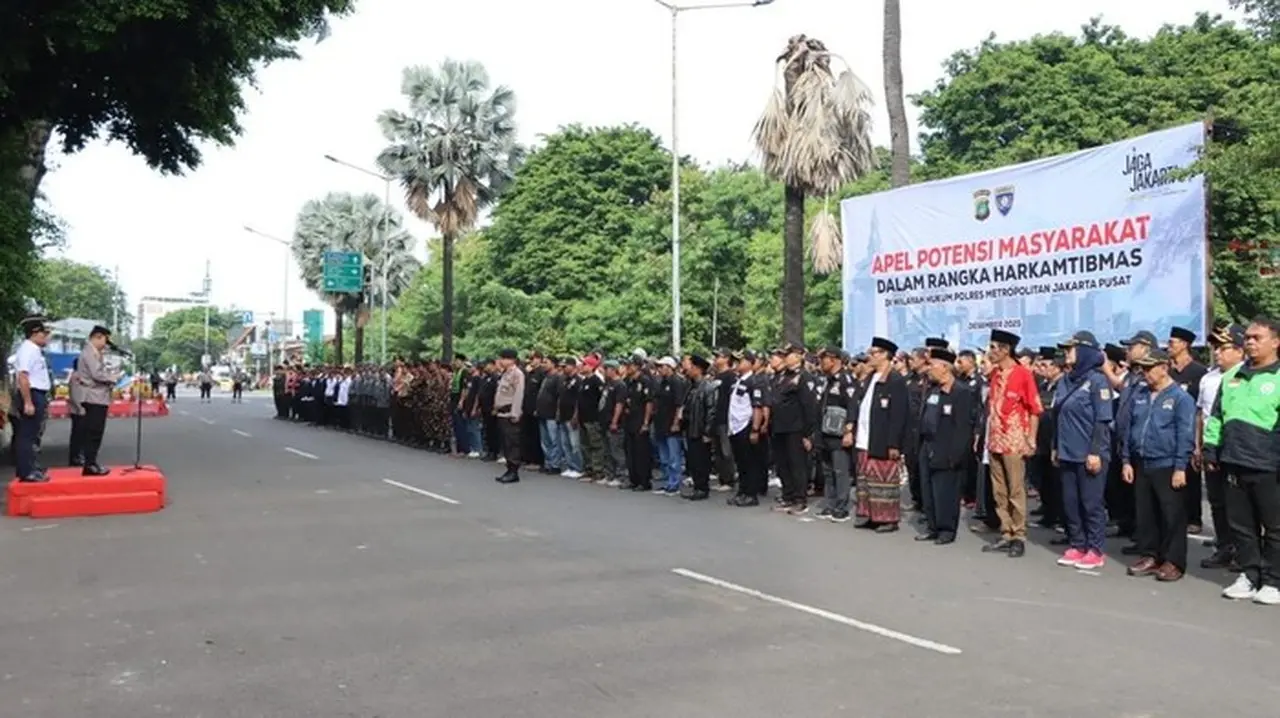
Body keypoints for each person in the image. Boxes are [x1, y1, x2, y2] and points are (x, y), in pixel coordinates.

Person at [1204, 318, 1280, 606]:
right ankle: (1250, 575)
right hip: (1234, 462)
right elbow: (1217, 417)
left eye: (1256, 337)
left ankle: (1274, 580)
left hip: (1268, 465)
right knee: (1242, 526)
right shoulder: (1232, 376)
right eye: (1247, 337)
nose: (1249, 342)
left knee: (1274, 526)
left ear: (1275, 342)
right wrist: (1211, 448)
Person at [1120, 348, 1196, 582]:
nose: (1144, 373)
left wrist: (1180, 467)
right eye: (1141, 368)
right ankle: (1150, 555)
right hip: (1142, 462)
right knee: (1146, 514)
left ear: (1164, 367)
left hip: (1168, 463)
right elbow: (1129, 428)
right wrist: (1126, 460)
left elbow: (1185, 434)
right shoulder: (1140, 394)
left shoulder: (1180, 398)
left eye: (1149, 368)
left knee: (1171, 515)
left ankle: (1173, 561)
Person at [1053, 331, 1114, 571]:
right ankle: (1077, 544)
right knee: (1070, 502)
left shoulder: (1097, 381)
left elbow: (1103, 419)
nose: (1066, 353)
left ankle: (1095, 549)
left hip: (1089, 453)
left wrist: (1096, 451)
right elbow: (1057, 414)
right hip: (1067, 451)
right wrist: (1055, 447)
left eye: (1071, 349)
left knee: (1091, 503)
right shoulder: (1065, 380)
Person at [981, 329, 1042, 558]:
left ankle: (1019, 535)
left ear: (1006, 349)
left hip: (1015, 441)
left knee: (1016, 489)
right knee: (999, 490)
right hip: (995, 439)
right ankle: (1005, 531)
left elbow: (1035, 410)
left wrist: (1031, 439)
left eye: (994, 347)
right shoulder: (995, 375)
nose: (991, 352)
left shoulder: (1023, 374)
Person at [916, 347, 976, 545]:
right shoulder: (932, 389)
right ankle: (932, 526)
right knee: (928, 489)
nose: (929, 369)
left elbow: (963, 428)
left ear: (944, 367)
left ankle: (946, 529)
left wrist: (956, 454)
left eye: (932, 366)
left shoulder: (961, 392)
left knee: (946, 491)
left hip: (948, 448)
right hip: (928, 445)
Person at [1198, 324, 1245, 571]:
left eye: (1224, 348)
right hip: (1213, 447)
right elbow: (1205, 416)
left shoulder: (1247, 375)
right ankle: (1224, 546)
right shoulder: (1210, 377)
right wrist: (1204, 447)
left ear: (1240, 351)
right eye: (1216, 348)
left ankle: (1243, 550)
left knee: (1239, 506)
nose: (1218, 353)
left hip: (1237, 451)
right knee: (1217, 502)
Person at [853, 336, 909, 532]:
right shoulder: (869, 378)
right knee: (866, 480)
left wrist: (894, 443)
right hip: (864, 436)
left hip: (882, 438)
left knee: (883, 480)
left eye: (874, 353)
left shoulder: (895, 380)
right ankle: (870, 514)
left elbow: (898, 415)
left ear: (885, 355)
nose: (870, 356)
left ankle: (888, 518)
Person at [1167, 326, 1208, 534]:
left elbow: (1201, 407)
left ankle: (1194, 518)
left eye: (1172, 342)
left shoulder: (1199, 372)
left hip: (1189, 429)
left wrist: (1198, 441)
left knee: (1190, 477)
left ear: (1184, 345)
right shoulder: (1167, 371)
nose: (1169, 346)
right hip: (1168, 430)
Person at [814, 346, 857, 522]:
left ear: (834, 360)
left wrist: (849, 430)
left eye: (824, 358)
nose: (821, 362)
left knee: (840, 471)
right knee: (828, 471)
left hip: (839, 433)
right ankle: (830, 504)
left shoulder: (845, 380)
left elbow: (853, 405)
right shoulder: (827, 380)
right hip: (825, 431)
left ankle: (841, 507)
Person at [12, 318, 52, 482]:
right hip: (32, 393)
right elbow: (23, 376)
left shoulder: (34, 349)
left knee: (33, 433)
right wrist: (28, 401)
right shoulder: (28, 349)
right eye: (44, 333)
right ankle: (26, 471)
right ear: (35, 333)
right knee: (27, 435)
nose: (46, 337)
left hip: (37, 393)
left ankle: (31, 467)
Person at [77, 325, 121, 476]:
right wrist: (112, 378)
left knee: (96, 431)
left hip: (98, 396)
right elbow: (96, 374)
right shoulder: (89, 352)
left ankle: (92, 462)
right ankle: (89, 464)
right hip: (93, 396)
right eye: (105, 340)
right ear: (97, 337)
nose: (106, 344)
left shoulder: (95, 352)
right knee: (94, 432)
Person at [728, 351, 768, 507]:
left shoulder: (754, 381)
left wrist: (755, 429)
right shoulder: (739, 381)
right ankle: (742, 492)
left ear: (751, 363)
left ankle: (751, 494)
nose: (738, 363)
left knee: (750, 462)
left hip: (746, 426)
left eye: (742, 361)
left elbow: (757, 407)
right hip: (735, 427)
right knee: (741, 463)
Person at [681, 355, 717, 500]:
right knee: (694, 460)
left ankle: (702, 488)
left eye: (690, 366)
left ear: (697, 369)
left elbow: (711, 411)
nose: (687, 369)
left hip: (700, 429)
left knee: (701, 460)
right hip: (690, 427)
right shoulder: (691, 386)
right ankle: (697, 486)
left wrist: (708, 431)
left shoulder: (707, 387)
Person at [653, 356, 689, 495]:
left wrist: (676, 422)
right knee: (664, 457)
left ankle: (674, 483)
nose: (659, 369)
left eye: (662, 366)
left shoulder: (676, 382)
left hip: (671, 424)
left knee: (674, 456)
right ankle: (668, 481)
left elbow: (679, 404)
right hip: (661, 423)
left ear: (669, 367)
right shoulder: (662, 382)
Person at [493, 349, 526, 484]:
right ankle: (508, 468)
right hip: (501, 412)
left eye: (503, 358)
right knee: (506, 443)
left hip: (509, 412)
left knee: (512, 443)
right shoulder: (505, 373)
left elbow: (518, 394)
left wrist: (515, 413)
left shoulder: (517, 374)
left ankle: (514, 471)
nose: (501, 361)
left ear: (511, 359)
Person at [67, 357, 86, 466]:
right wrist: (79, 407)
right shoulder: (76, 376)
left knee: (81, 435)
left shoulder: (80, 375)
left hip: (81, 408)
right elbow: (74, 394)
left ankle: (79, 455)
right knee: (78, 435)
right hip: (78, 410)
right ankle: (76, 457)